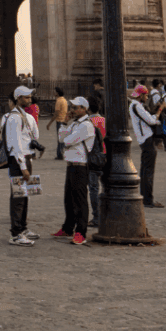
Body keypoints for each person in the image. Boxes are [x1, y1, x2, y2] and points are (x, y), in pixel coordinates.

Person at [52, 96, 95, 245]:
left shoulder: (86, 125)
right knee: (69, 199)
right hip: (71, 164)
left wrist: (67, 139)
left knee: (80, 200)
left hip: (80, 165)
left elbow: (67, 141)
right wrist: (64, 122)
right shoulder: (75, 124)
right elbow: (61, 138)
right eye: (72, 107)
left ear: (84, 109)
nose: (73, 110)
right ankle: (68, 227)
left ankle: (81, 232)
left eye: (76, 107)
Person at [5, 85, 41, 245]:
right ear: (18, 98)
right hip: (18, 161)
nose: (29, 99)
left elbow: (36, 135)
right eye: (26, 97)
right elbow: (15, 145)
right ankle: (15, 233)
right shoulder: (13, 118)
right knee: (18, 197)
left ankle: (23, 227)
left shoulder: (27, 116)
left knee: (25, 195)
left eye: (30, 97)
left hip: (26, 158)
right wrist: (23, 167)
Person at [129, 85, 165, 208]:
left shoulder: (135, 106)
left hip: (144, 139)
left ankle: (146, 197)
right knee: (148, 171)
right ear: (141, 95)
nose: (147, 97)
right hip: (147, 139)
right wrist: (159, 111)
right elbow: (151, 120)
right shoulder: (136, 106)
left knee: (146, 171)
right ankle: (148, 199)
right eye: (146, 95)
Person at [86, 96, 106, 228]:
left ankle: (97, 217)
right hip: (105, 156)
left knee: (93, 189)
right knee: (105, 187)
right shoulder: (105, 120)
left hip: (92, 158)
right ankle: (106, 214)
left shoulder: (87, 122)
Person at [47, 86, 68, 159]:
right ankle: (61, 153)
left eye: (54, 91)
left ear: (57, 93)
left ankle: (60, 154)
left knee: (60, 139)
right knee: (62, 138)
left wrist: (49, 123)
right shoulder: (64, 100)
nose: (53, 92)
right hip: (64, 121)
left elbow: (56, 113)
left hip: (59, 121)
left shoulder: (59, 101)